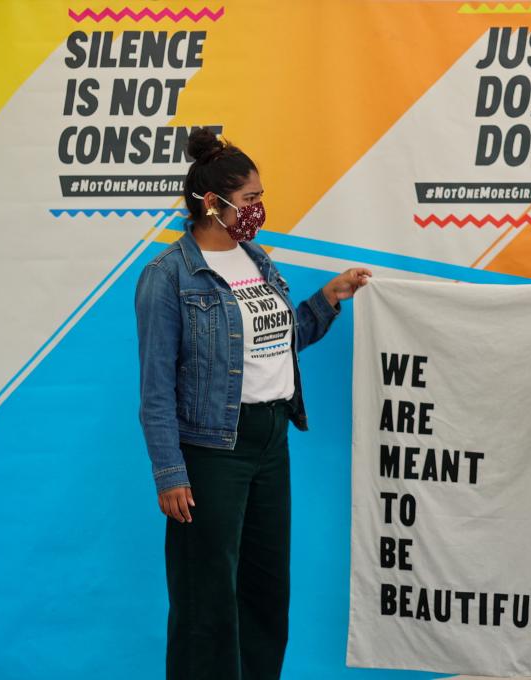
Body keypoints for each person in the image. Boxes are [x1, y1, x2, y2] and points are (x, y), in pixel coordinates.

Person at [135, 128, 371, 680]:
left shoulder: (257, 260)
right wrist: (170, 472)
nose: (258, 209)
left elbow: (274, 343)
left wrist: (328, 299)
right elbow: (154, 388)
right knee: (206, 597)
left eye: (260, 197)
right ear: (212, 205)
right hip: (213, 448)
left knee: (266, 590)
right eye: (249, 199)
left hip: (271, 439)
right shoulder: (168, 277)